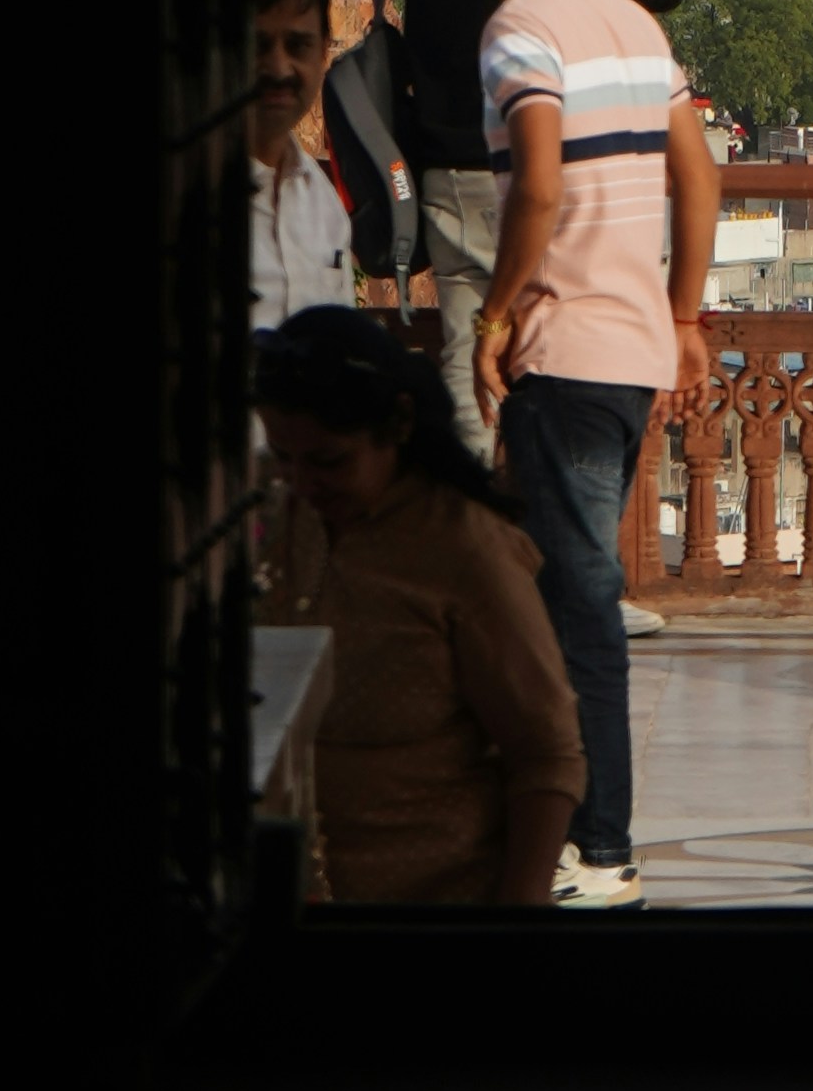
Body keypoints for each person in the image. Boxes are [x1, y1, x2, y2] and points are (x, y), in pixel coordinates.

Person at [465, 0, 717, 911]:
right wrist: (686, 314)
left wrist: (493, 310)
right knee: (562, 595)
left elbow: (534, 182)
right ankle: (555, 822)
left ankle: (601, 846)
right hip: (630, 351)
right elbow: (697, 173)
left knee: (576, 606)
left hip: (561, 349)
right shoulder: (634, 23)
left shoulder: (516, 31)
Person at [374, 0, 686, 463]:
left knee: (467, 359)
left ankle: (472, 513)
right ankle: (549, 519)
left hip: (448, 171)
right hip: (538, 174)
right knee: (557, 350)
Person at [249, 304, 584, 906]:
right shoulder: (285, 515)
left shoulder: (465, 550)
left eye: (327, 461)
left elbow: (547, 753)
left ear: (397, 426)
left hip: (431, 909)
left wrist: (520, 915)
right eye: (284, 458)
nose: (300, 482)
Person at [247, 0, 360, 326]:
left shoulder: (322, 204)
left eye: (297, 46)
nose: (279, 68)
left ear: (323, 53)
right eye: (258, 46)